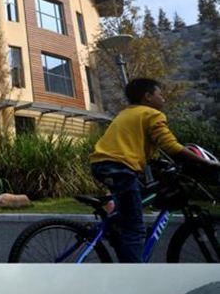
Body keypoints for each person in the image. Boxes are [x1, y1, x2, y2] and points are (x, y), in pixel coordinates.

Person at [91, 77, 220, 262]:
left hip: (103, 165)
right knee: (135, 229)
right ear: (148, 97)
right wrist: (206, 162)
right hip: (120, 168)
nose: (164, 99)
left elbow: (130, 144)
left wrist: (156, 163)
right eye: (160, 95)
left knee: (130, 210)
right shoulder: (152, 114)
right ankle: (133, 276)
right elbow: (171, 146)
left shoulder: (126, 113)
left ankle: (116, 232)